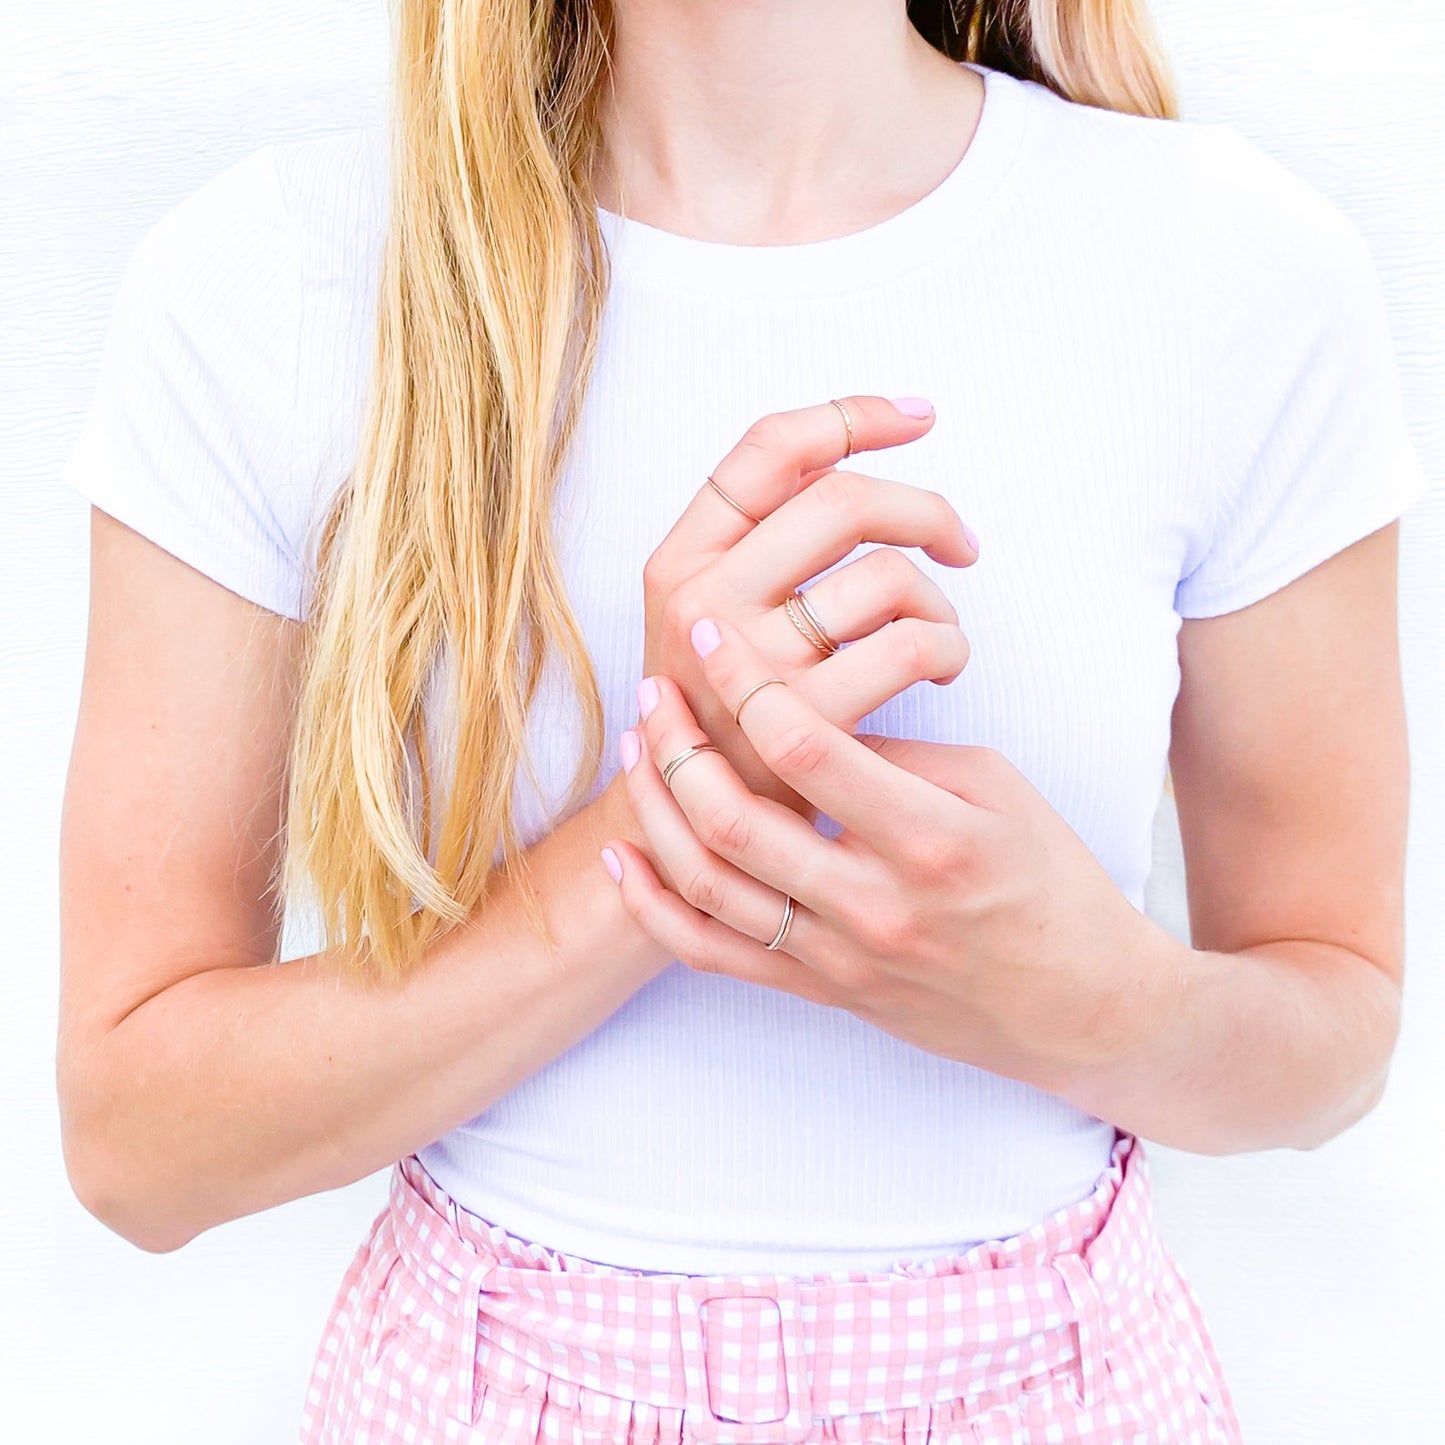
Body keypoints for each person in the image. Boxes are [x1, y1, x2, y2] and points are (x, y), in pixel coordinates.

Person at [55, 2, 1431, 1442]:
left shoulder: (1236, 267)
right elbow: (140, 1147)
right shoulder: (273, 281)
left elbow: (1337, 1035)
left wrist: (1100, 1000)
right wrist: (663, 838)